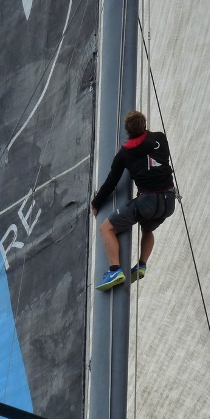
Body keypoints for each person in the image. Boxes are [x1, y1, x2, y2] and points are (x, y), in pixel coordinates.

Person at [91, 110, 176, 291]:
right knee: (147, 228)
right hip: (169, 201)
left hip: (147, 202)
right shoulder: (160, 138)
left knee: (106, 228)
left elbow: (112, 181)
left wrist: (96, 203)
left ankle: (114, 270)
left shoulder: (125, 153)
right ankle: (142, 264)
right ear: (144, 124)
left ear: (127, 130)